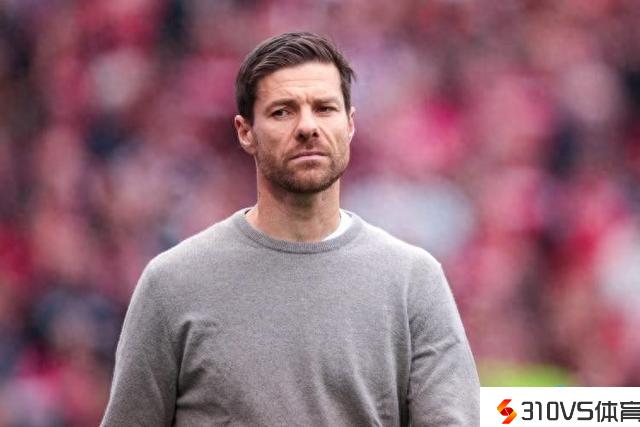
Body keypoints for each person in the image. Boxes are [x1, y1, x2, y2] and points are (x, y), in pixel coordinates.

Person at [101, 32, 480, 426]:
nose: (307, 127)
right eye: (283, 112)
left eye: (325, 108)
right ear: (245, 131)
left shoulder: (413, 282)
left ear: (350, 125)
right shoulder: (172, 284)